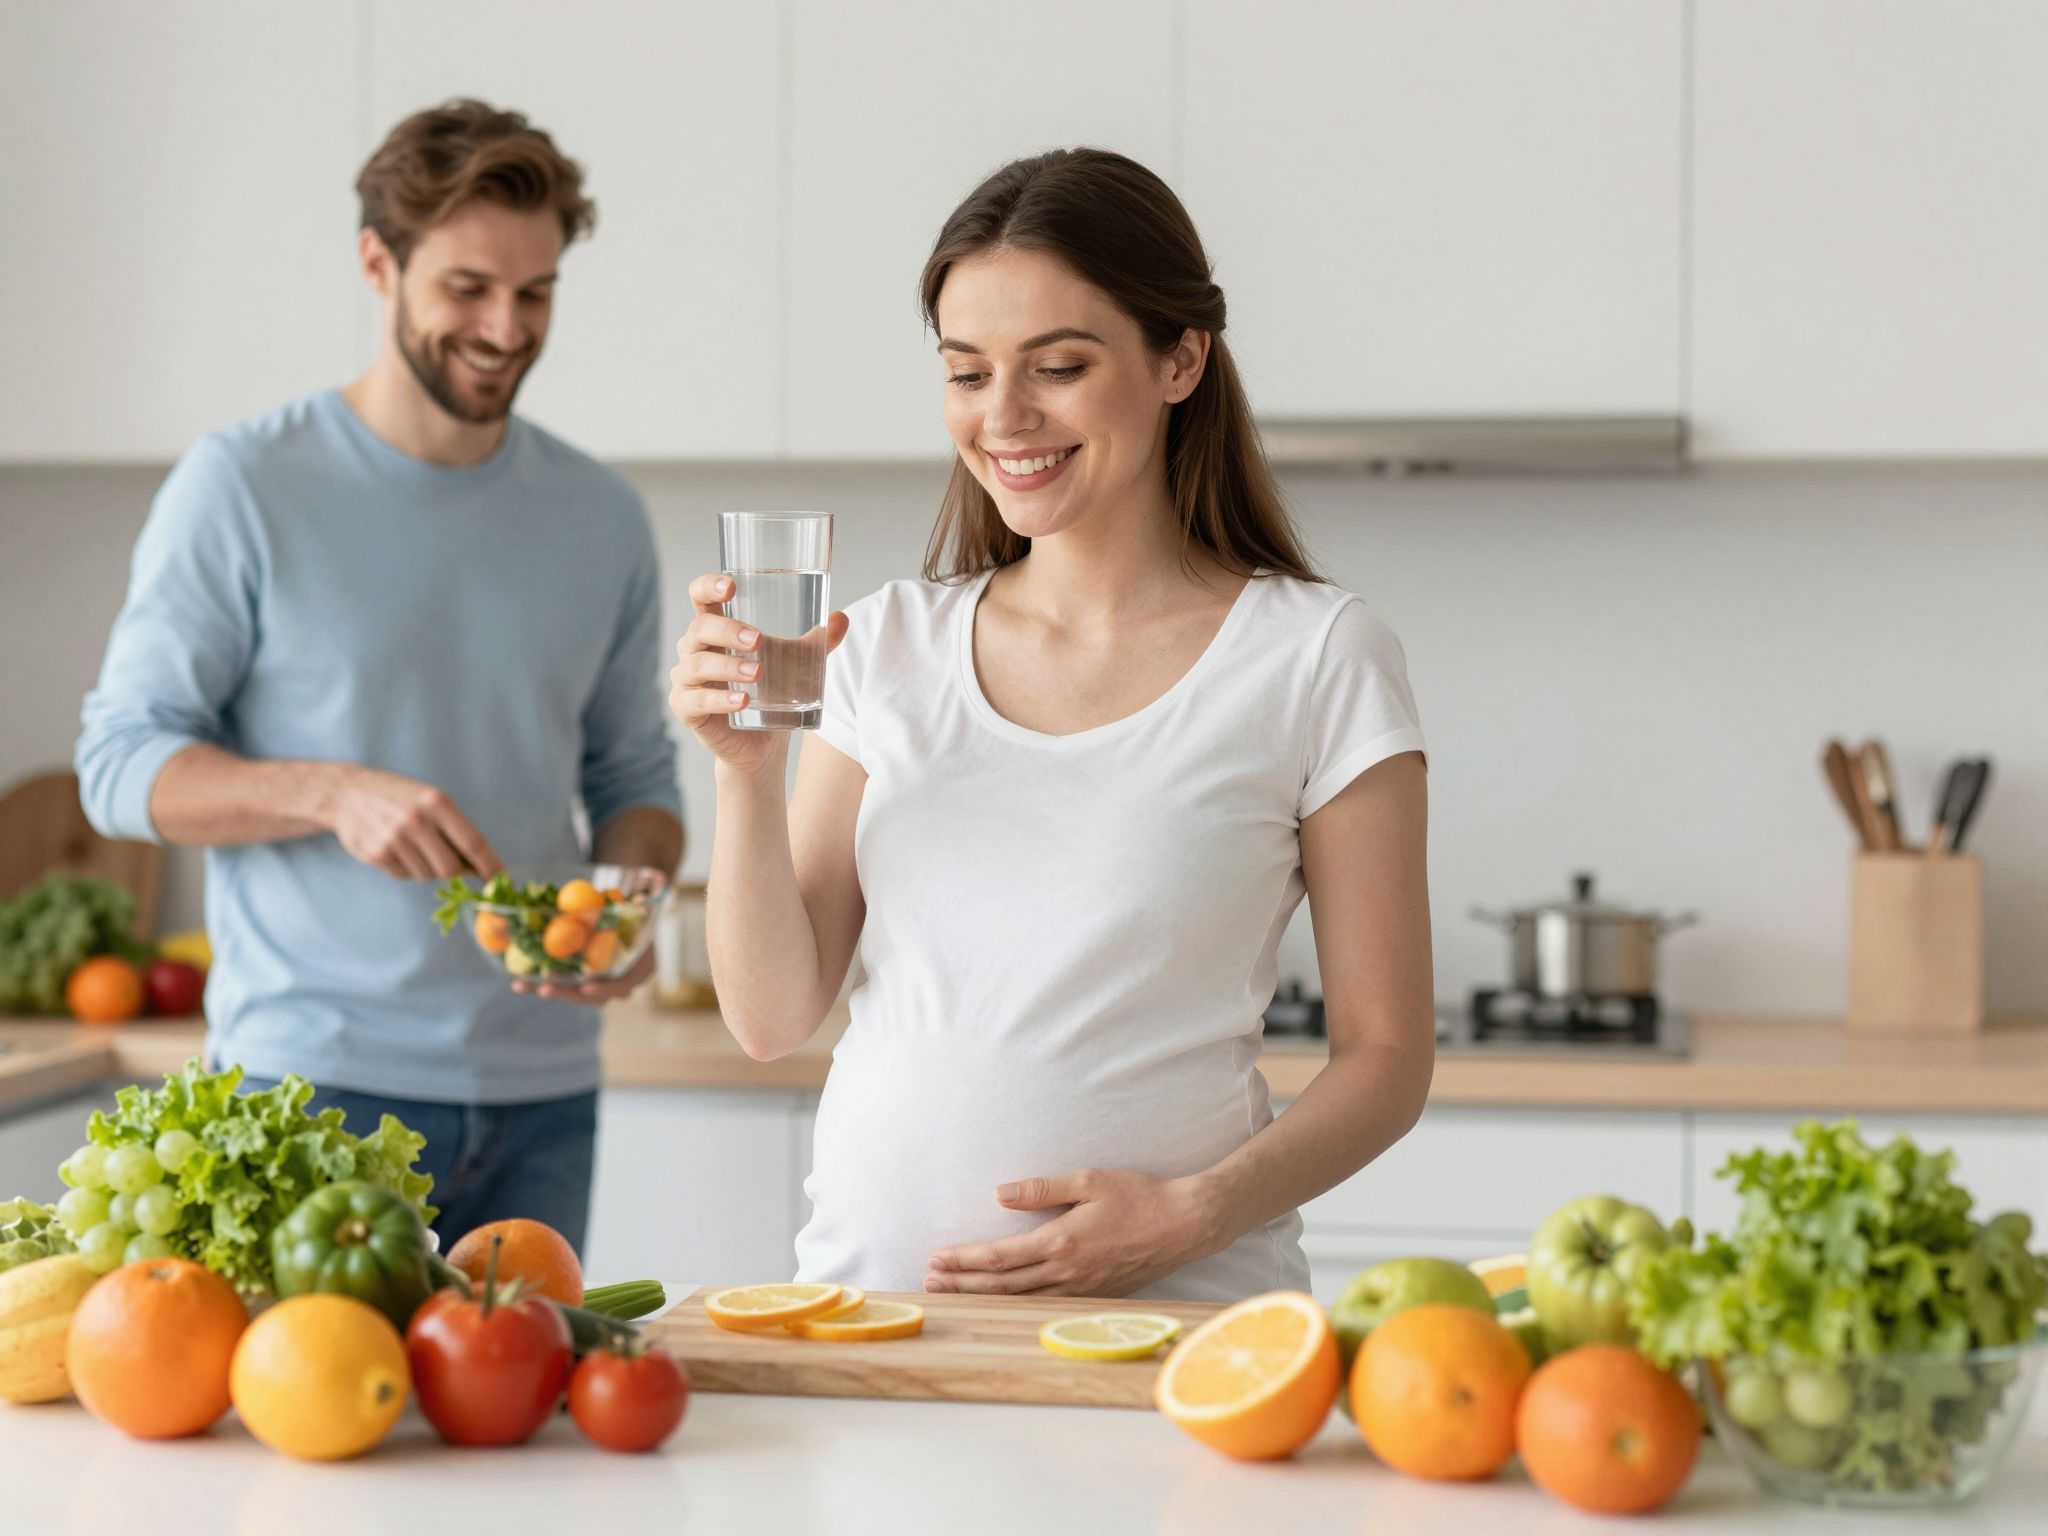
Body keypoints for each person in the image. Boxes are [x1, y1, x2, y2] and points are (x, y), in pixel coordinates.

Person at [670, 148, 1431, 1302]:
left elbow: (1387, 1062)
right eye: (965, 373)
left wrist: (1189, 1217)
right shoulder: (881, 647)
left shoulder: (1313, 656)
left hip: (1169, 1331)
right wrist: (741, 775)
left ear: (1180, 359)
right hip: (874, 1322)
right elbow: (772, 1017)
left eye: (1058, 366)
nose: (1004, 416)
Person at [74, 100, 682, 1254]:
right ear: (377, 263)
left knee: (518, 1431)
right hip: (308, 1090)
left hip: (543, 1096)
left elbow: (634, 777)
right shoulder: (243, 486)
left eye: (536, 291)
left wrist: (631, 897)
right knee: (312, 1427)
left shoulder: (599, 516)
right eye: (467, 288)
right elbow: (119, 765)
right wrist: (328, 792)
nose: (506, 327)